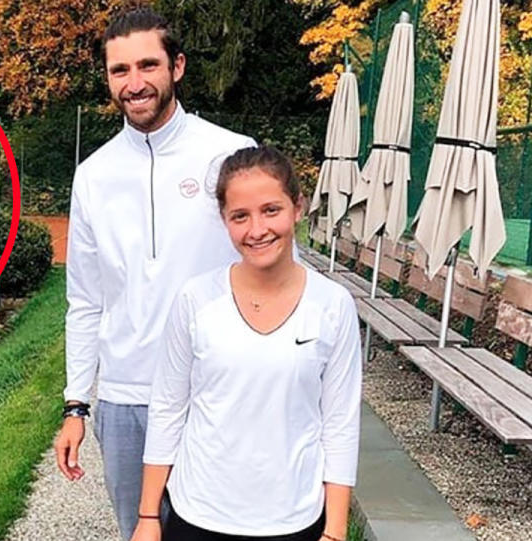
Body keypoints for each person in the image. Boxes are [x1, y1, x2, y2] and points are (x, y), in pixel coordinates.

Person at [54, 7, 256, 540]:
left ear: (178, 67)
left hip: (212, 393)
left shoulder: (231, 154)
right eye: (120, 70)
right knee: (139, 532)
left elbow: (274, 274)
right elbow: (85, 299)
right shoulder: (93, 175)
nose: (135, 83)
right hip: (124, 401)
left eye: (148, 65)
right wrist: (77, 404)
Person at [131, 146, 362, 541]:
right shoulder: (195, 299)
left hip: (294, 520)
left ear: (298, 207)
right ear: (224, 220)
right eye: (241, 216)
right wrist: (149, 516)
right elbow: (168, 407)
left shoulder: (333, 305)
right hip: (198, 515)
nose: (257, 230)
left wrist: (336, 531)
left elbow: (339, 423)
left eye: (271, 210)